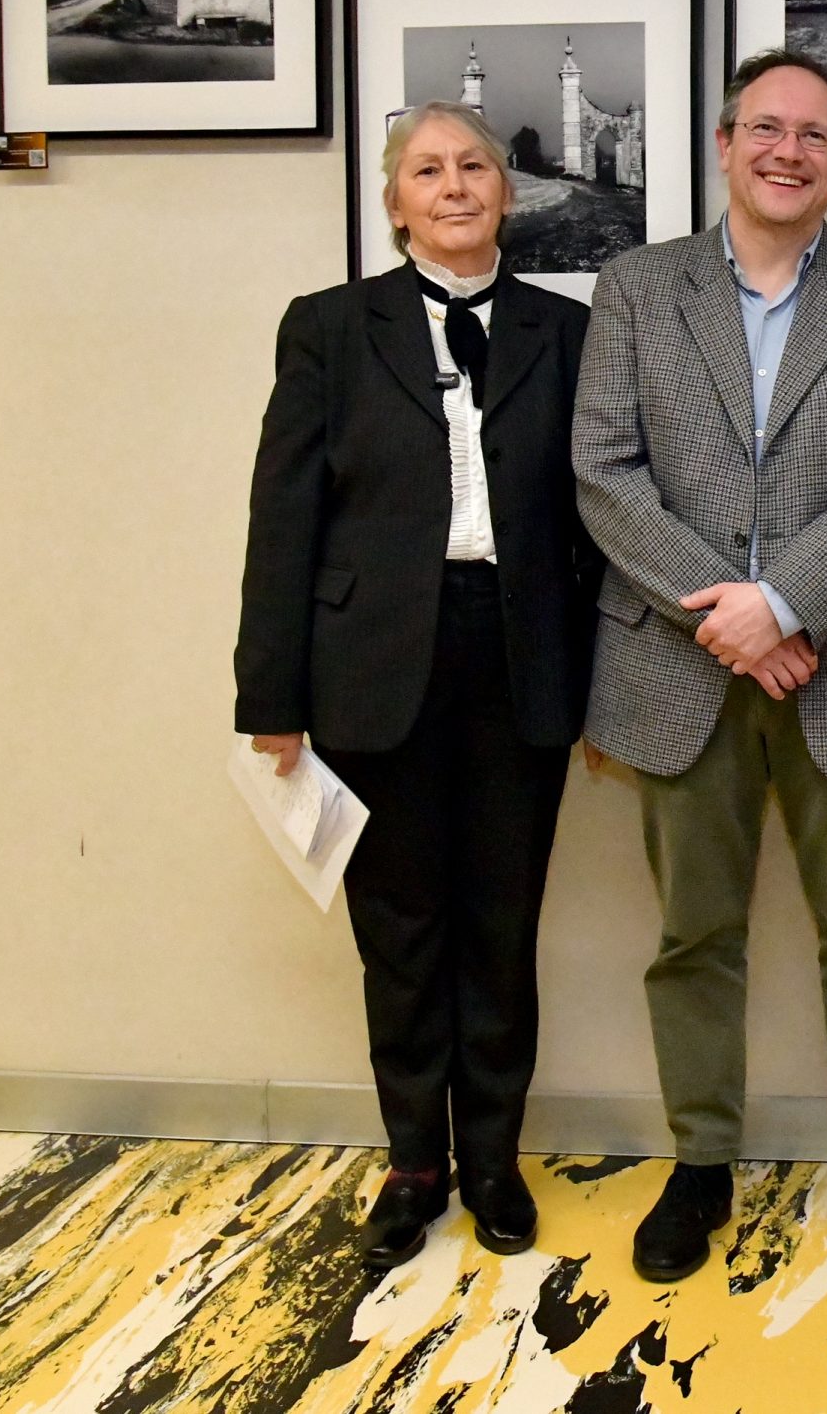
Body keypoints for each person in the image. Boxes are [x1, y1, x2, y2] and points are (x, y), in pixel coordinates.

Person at [573, 50, 827, 1283]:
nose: (788, 151)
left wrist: (784, 602)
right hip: (675, 674)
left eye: (816, 135)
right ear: (726, 143)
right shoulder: (635, 286)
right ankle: (699, 1163)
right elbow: (605, 473)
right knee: (693, 936)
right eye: (766, 128)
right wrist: (723, 617)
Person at [234, 101, 601, 1270]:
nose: (453, 185)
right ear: (394, 201)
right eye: (427, 170)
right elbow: (283, 516)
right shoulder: (329, 328)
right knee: (400, 929)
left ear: (510, 189)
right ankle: (414, 1160)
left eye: (476, 165)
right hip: (370, 665)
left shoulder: (569, 328)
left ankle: (492, 1159)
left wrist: (604, 686)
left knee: (501, 921)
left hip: (521, 652)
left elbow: (599, 515)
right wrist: (270, 694)